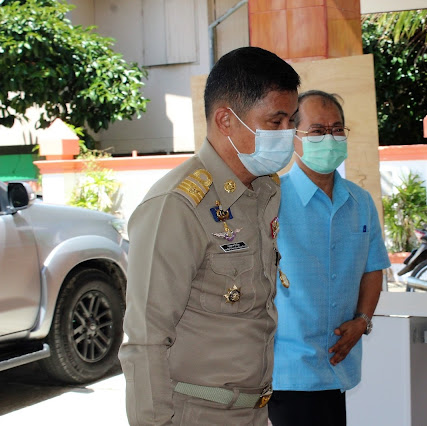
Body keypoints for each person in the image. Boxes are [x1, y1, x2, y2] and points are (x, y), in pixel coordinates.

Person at [118, 46, 300, 426]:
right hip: (196, 414)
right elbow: (146, 339)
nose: (288, 134)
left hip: (254, 410)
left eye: (291, 121)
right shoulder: (177, 205)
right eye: (275, 121)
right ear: (225, 120)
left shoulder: (264, 191)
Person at [268, 90, 391, 426]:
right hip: (288, 368)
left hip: (339, 364)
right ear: (293, 136)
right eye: (318, 131)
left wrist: (362, 320)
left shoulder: (360, 201)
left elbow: (373, 268)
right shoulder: (271, 199)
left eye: (337, 130)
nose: (329, 138)